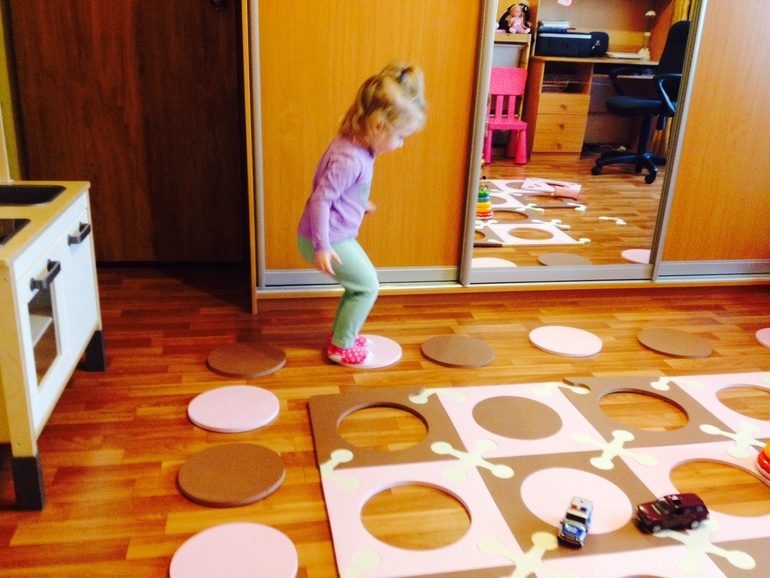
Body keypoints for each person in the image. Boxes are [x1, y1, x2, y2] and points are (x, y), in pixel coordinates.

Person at [297, 63, 427, 365]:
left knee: (358, 286)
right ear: (379, 126)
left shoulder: (358, 146)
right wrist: (322, 247)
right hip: (327, 239)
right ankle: (341, 347)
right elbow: (320, 199)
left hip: (332, 234)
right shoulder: (350, 159)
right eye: (401, 136)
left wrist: (357, 203)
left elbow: (337, 189)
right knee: (367, 286)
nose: (401, 144)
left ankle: (343, 334)